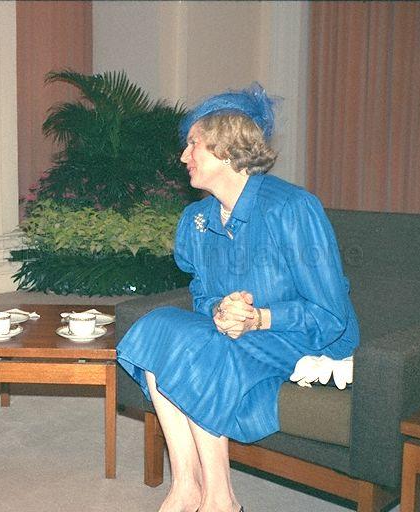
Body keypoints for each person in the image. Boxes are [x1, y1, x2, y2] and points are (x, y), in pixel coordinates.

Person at [116, 84, 359, 512]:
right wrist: (222, 310)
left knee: (203, 347)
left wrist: (259, 317)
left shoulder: (292, 208)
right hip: (239, 333)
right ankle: (186, 485)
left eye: (193, 145)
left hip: (300, 340)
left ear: (226, 148)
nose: (183, 157)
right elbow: (203, 294)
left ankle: (221, 499)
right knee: (156, 326)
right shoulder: (197, 219)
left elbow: (331, 315)